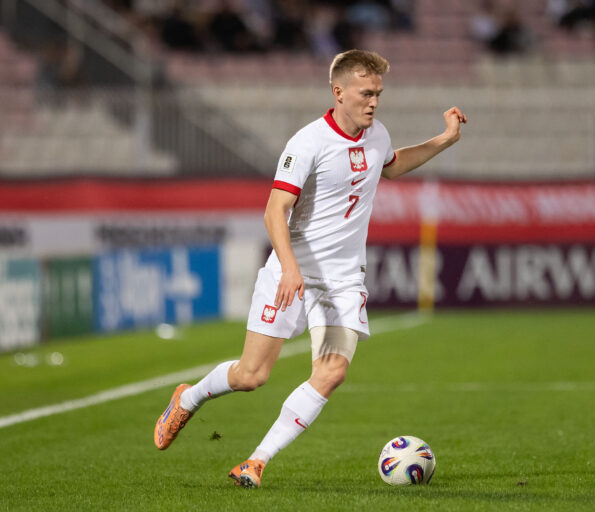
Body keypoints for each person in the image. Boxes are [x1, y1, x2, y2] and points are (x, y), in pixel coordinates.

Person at [154, 49, 467, 487]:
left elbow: (391, 166)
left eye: (378, 93)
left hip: (342, 281)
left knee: (332, 371)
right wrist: (289, 268)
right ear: (338, 92)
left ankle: (256, 461)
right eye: (365, 93)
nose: (373, 102)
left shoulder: (376, 135)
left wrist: (444, 140)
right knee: (252, 376)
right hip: (292, 271)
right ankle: (189, 398)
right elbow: (273, 211)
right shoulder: (308, 143)